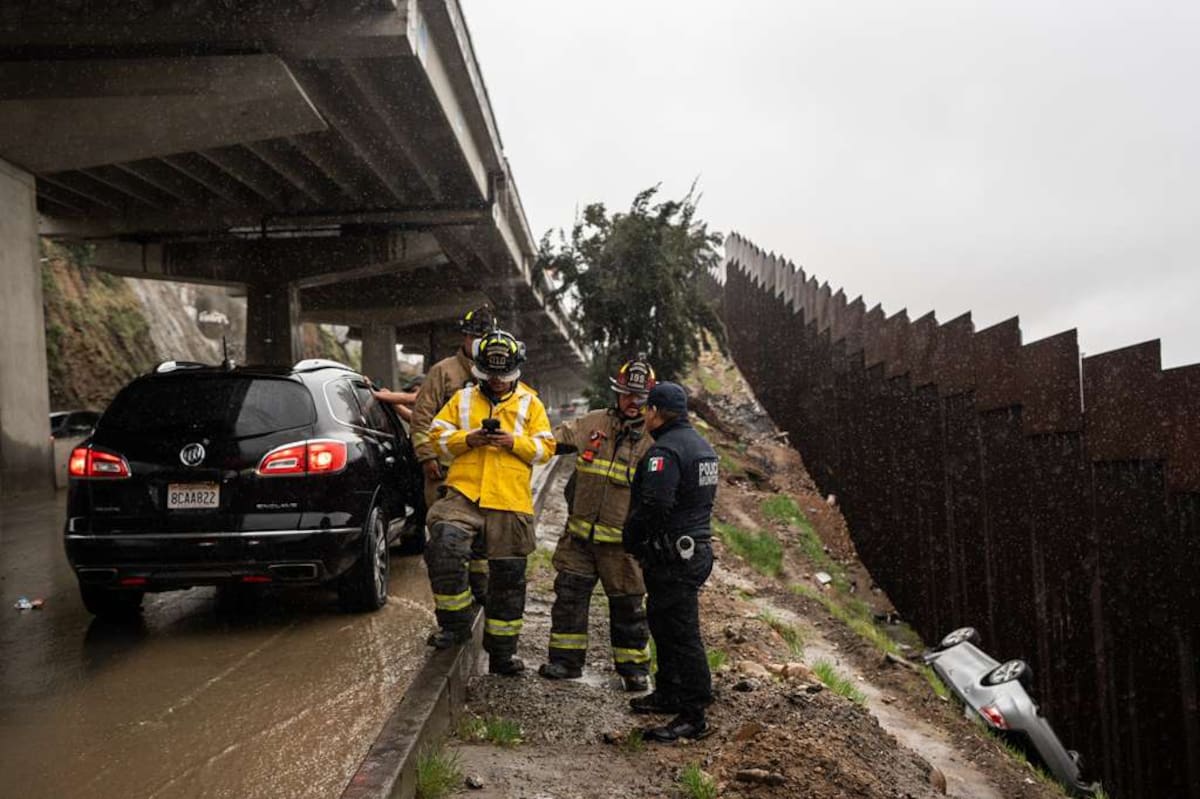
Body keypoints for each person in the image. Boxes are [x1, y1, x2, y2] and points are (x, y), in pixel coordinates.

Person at [423, 329, 555, 675]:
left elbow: (546, 448)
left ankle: (501, 654)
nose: (497, 382)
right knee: (444, 547)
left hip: (510, 500)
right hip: (464, 494)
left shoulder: (530, 403)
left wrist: (514, 442)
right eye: (491, 374)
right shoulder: (463, 400)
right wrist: (470, 438)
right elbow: (436, 438)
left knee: (508, 579)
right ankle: (454, 625)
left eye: (504, 375)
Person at [537, 360, 658, 692]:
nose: (632, 402)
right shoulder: (592, 423)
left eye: (640, 397)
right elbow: (548, 443)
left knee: (629, 607)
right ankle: (565, 662)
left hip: (622, 546)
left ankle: (634, 669)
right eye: (627, 395)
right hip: (579, 539)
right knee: (569, 599)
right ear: (616, 394)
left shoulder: (653, 440)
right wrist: (516, 439)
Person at [623, 381, 719, 741]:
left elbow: (656, 505)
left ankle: (693, 715)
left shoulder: (665, 451)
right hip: (693, 549)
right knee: (663, 624)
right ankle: (668, 692)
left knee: (681, 633)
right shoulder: (702, 447)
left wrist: (630, 536)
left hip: (674, 556)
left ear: (656, 413)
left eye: (647, 409)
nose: (644, 414)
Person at [409, 306, 494, 602]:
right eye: (474, 337)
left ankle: (480, 596)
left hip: (482, 475)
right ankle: (453, 607)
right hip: (445, 475)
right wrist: (427, 457)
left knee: (481, 542)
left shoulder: (496, 372)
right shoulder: (443, 372)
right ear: (465, 337)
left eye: (484, 338)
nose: (479, 343)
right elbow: (421, 418)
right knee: (446, 543)